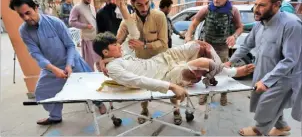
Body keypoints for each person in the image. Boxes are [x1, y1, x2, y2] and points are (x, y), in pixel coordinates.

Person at [93, 32, 255, 125]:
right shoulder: (113, 68)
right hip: (166, 75)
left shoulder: (114, 60)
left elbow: (125, 45)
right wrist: (170, 86)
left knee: (199, 45)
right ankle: (232, 72)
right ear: (106, 52)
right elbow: (137, 81)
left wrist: (102, 60)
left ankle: (220, 70)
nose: (119, 45)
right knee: (204, 62)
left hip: (162, 59)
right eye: (115, 45)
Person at [225, 0, 302, 136]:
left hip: (282, 78)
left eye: (261, 5)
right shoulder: (260, 24)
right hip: (262, 71)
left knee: (266, 105)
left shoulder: (291, 25)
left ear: (276, 5)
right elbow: (247, 45)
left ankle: (259, 130)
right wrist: (230, 62)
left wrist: (267, 81)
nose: (256, 9)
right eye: (256, 4)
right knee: (270, 103)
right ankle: (283, 127)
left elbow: (290, 60)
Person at [9, 0, 92, 125]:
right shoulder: (24, 31)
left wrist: (69, 65)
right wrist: (54, 70)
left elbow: (70, 45)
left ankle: (100, 106)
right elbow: (35, 53)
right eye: (21, 15)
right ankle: (55, 117)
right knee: (41, 92)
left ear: (36, 8)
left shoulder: (55, 22)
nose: (26, 18)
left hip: (72, 63)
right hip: (50, 67)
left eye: (28, 13)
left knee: (90, 87)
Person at [100, 0, 169, 124]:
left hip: (161, 59)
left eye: (146, 3)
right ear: (132, 3)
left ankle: (175, 110)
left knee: (170, 86)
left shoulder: (159, 16)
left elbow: (163, 43)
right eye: (139, 5)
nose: (144, 8)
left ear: (150, 1)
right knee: (143, 89)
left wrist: (144, 45)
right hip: (141, 63)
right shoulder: (128, 22)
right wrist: (103, 58)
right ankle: (144, 109)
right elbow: (116, 42)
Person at [185, 0, 244, 106]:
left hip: (222, 48)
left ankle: (224, 93)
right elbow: (194, 23)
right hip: (207, 47)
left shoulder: (233, 10)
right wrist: (188, 35)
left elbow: (240, 27)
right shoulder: (207, 9)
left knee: (224, 72)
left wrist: (234, 36)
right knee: (206, 71)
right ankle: (205, 93)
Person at [69, 0, 107, 114]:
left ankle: (103, 88)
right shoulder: (77, 8)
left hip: (96, 39)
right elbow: (72, 22)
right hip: (87, 40)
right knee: (89, 67)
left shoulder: (91, 7)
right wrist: (85, 26)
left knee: (100, 63)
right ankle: (93, 94)